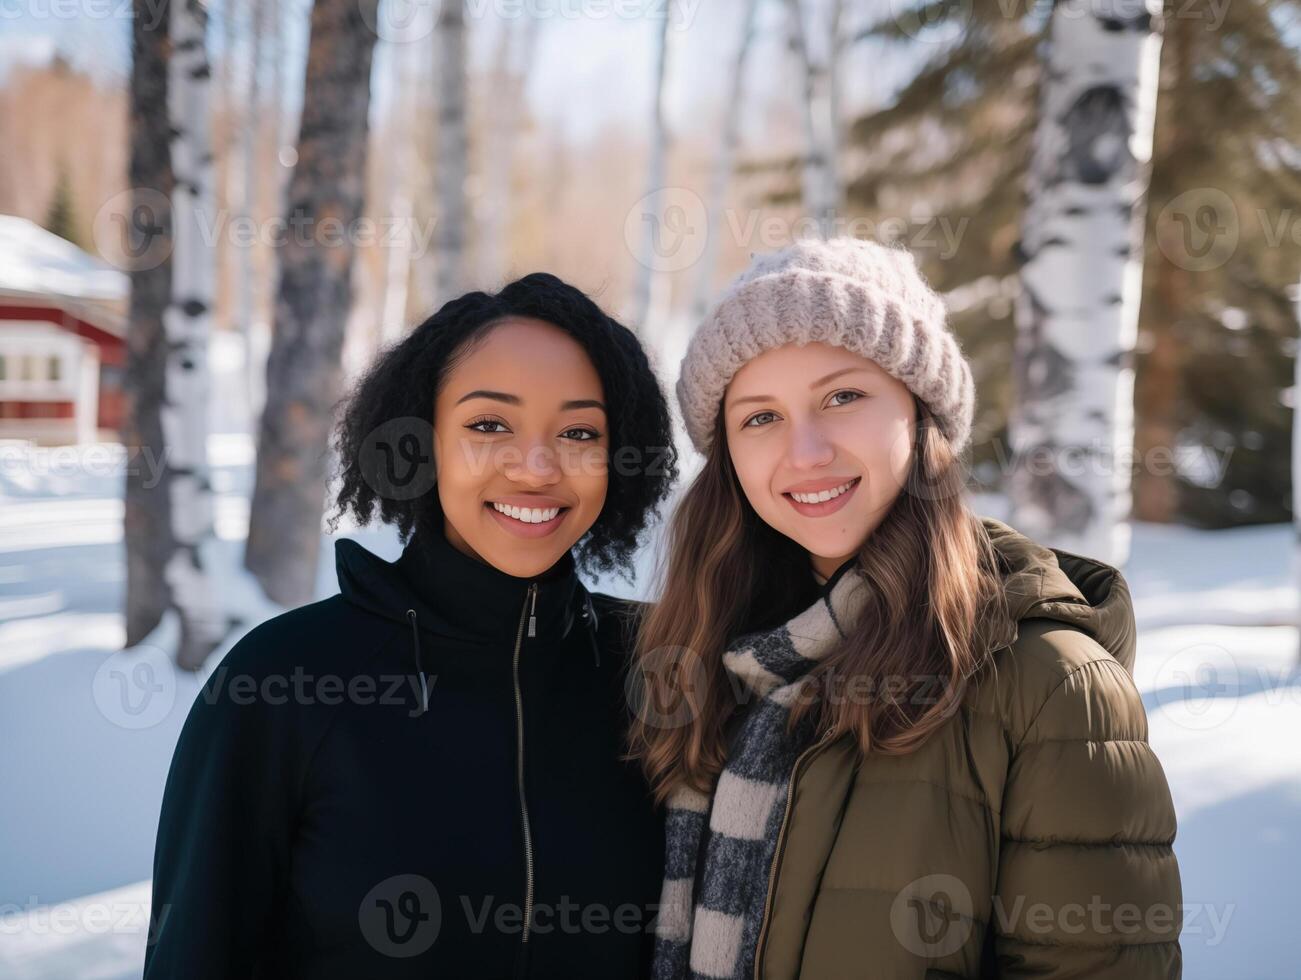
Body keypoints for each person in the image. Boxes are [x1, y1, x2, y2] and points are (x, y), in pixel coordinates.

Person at [628, 238, 1182, 979]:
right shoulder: (702, 655)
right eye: (759, 417)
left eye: (842, 397)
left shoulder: (1049, 683)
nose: (806, 450)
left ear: (921, 415)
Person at [145, 273, 676, 979]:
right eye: (489, 425)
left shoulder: (663, 668)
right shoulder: (282, 681)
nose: (537, 467)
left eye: (579, 432)